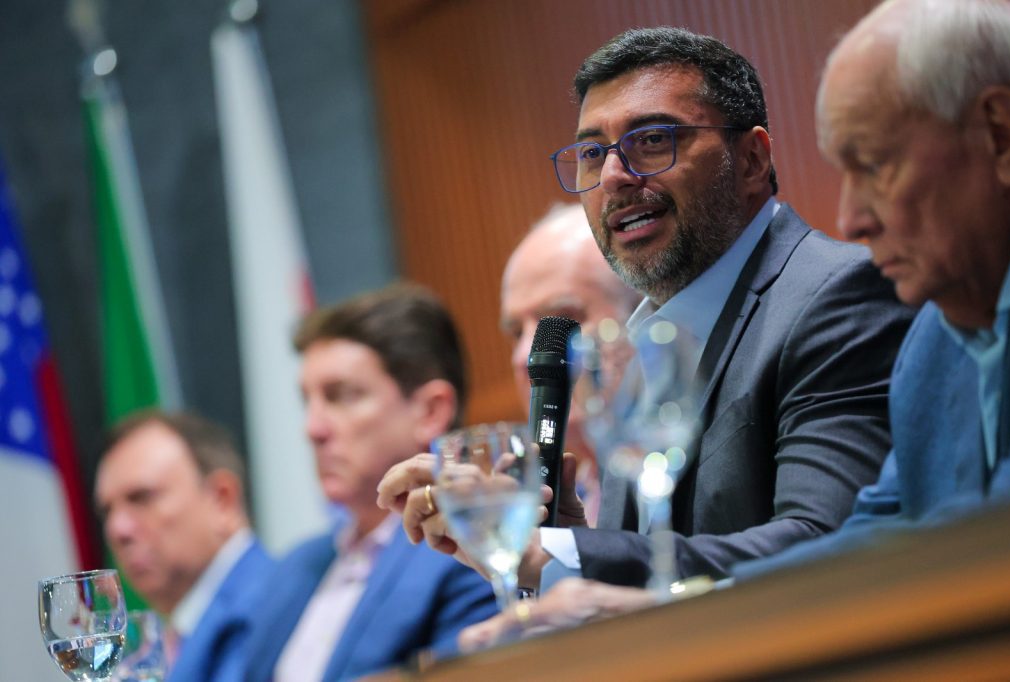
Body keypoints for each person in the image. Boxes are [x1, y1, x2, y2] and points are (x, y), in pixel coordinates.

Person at [380, 26, 914, 600]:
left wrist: (562, 555)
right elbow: (661, 575)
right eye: (592, 153)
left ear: (752, 159)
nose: (614, 176)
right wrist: (565, 544)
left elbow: (826, 546)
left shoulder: (837, 295)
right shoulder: (639, 344)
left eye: (653, 140)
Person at [729, 0, 1010, 578]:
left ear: (1002, 136)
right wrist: (664, 606)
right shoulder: (932, 342)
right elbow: (876, 539)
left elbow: (998, 539)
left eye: (874, 165)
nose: (852, 220)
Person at [242, 284, 498, 681]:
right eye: (307, 401)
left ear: (430, 411)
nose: (312, 428)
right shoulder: (294, 567)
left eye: (342, 396)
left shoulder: (474, 550)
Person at [95, 410, 272, 681]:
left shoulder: (268, 608)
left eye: (141, 497)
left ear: (222, 500)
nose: (117, 529)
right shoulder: (157, 648)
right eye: (107, 511)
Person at [500, 202, 641, 523]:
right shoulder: (560, 500)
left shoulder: (676, 470)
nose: (524, 356)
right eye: (516, 332)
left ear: (640, 316)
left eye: (563, 318)